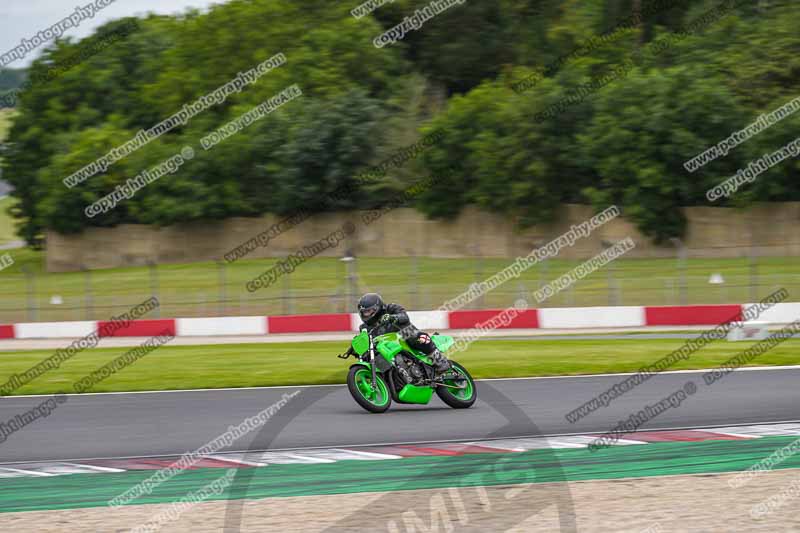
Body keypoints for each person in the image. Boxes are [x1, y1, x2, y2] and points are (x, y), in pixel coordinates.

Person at [356, 292, 451, 373]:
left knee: (416, 336)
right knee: (370, 356)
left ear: (377, 308)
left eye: (368, 311)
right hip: (388, 348)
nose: (366, 314)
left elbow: (404, 316)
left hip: (404, 337)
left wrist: (393, 317)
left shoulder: (391, 308)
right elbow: (366, 342)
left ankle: (440, 361)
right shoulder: (364, 328)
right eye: (364, 312)